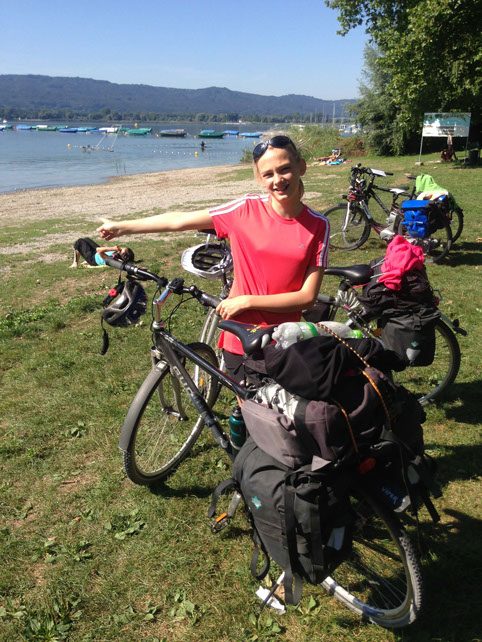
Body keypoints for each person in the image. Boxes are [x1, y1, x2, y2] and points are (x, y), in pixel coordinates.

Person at [97, 135, 330, 381]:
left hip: (285, 338)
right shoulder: (245, 209)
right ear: (260, 179)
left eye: (284, 169)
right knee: (248, 402)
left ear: (301, 167)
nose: (278, 180)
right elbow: (180, 220)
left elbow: (307, 298)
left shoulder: (318, 225)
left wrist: (248, 301)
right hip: (240, 335)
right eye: (268, 174)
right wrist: (122, 227)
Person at [70, 237, 134, 268]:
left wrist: (113, 248)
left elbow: (99, 250)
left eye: (121, 250)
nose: (119, 249)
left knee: (80, 242)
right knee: (86, 239)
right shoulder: (116, 255)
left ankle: (75, 263)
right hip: (96, 253)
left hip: (92, 259)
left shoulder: (111, 259)